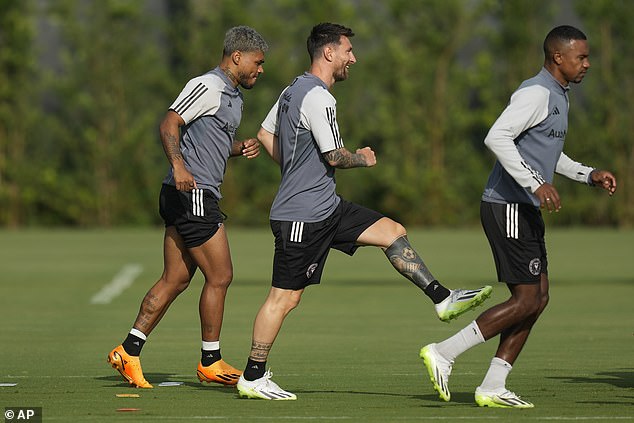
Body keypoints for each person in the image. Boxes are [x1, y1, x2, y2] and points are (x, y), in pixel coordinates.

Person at [234, 22, 493, 401]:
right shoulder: (320, 97)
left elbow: (265, 135)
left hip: (326, 207)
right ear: (328, 53)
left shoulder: (293, 89)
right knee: (284, 298)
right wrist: (364, 158)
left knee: (391, 230)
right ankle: (252, 377)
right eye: (347, 51)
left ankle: (441, 298)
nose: (352, 57)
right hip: (302, 217)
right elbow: (335, 157)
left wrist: (295, 169)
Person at [420, 25, 617, 408]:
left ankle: (494, 385)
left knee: (538, 298)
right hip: (506, 205)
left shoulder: (559, 95)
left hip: (521, 206)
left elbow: (545, 152)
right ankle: (444, 352)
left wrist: (587, 174)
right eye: (582, 57)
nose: (587, 64)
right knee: (527, 299)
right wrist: (535, 183)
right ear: (558, 57)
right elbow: (496, 136)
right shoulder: (536, 92)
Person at [106, 26, 269, 388]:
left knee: (176, 278)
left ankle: (129, 351)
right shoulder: (208, 84)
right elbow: (170, 122)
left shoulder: (234, 97)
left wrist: (237, 147)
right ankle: (210, 360)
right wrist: (179, 166)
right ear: (236, 56)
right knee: (221, 276)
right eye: (257, 63)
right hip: (193, 193)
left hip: (188, 194)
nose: (261, 70)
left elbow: (206, 142)